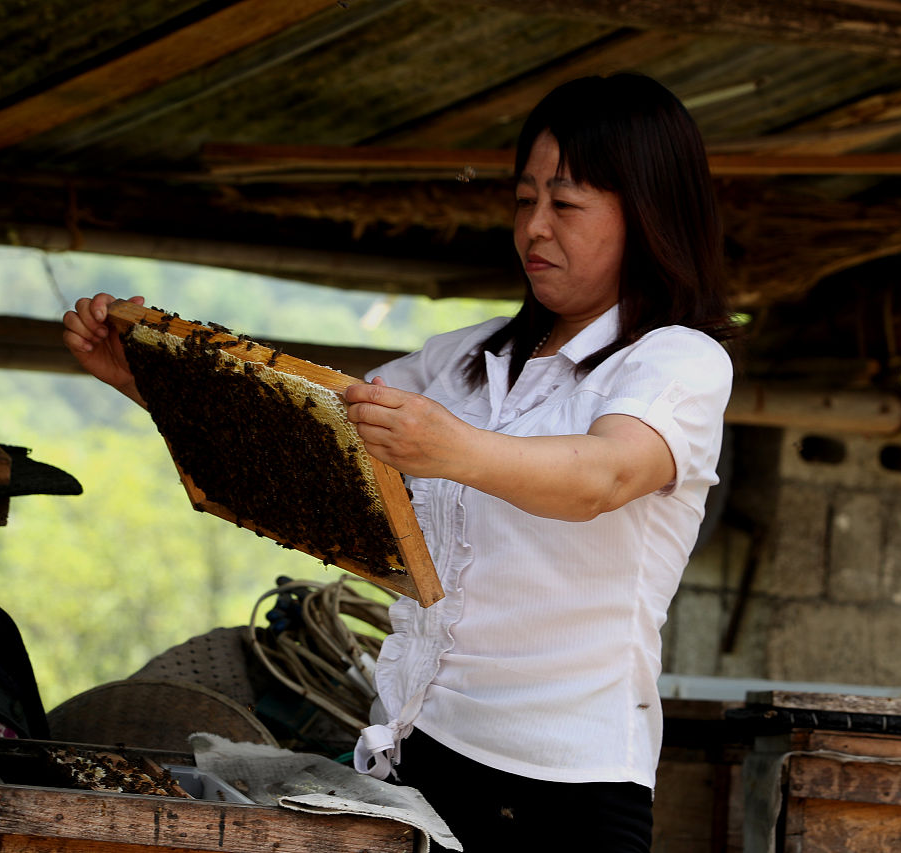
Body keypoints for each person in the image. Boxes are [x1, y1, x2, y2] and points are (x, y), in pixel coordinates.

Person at [62, 72, 735, 852]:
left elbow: (605, 475)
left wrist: (455, 450)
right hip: (415, 758)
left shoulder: (678, 361)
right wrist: (153, 383)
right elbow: (312, 437)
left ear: (647, 213)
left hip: (564, 792)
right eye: (523, 201)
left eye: (567, 203)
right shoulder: (465, 359)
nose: (534, 230)